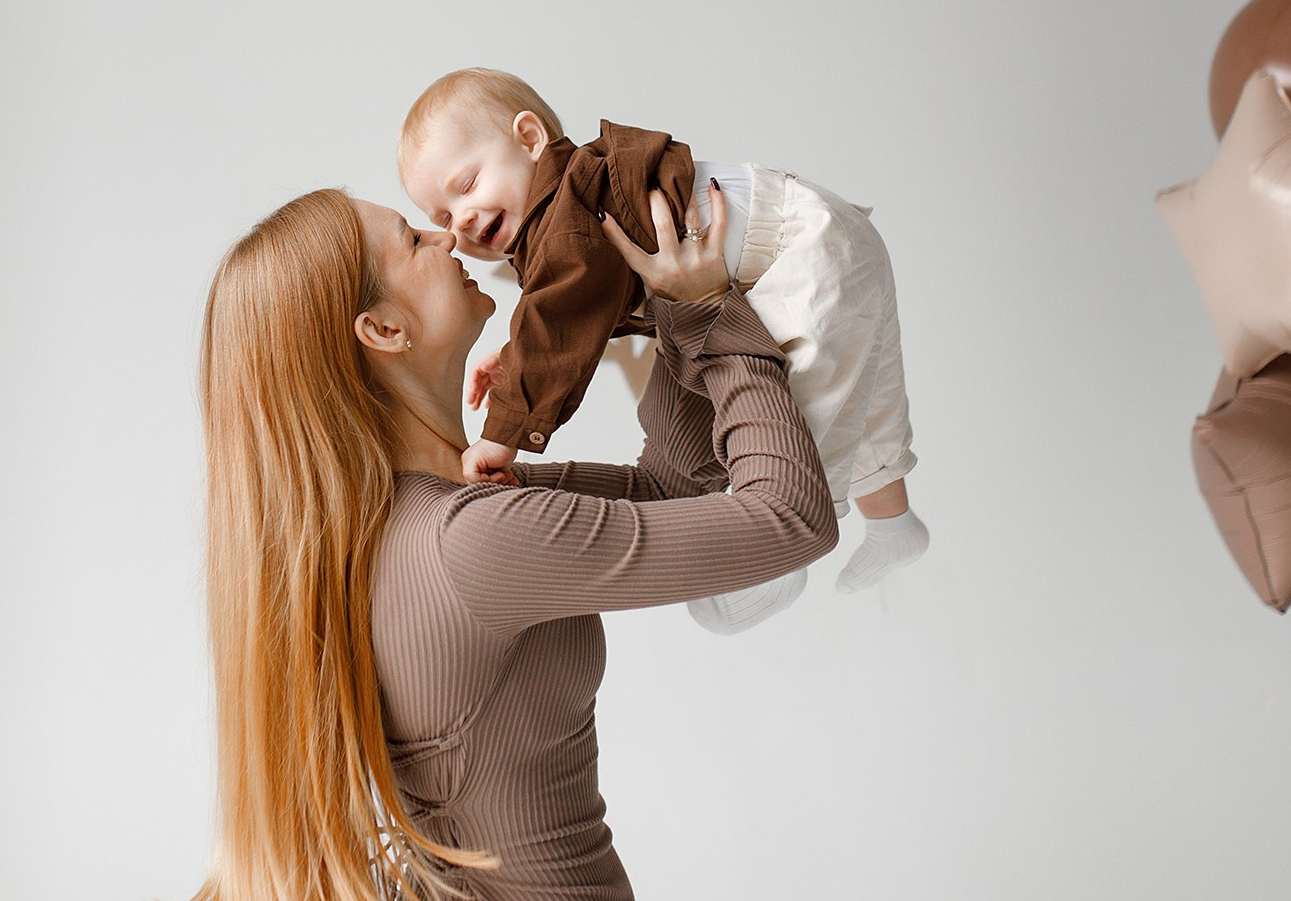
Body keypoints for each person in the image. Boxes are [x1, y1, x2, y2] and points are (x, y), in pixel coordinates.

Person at [192, 182, 836, 901]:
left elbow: (669, 491)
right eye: (412, 240)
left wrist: (663, 303)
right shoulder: (469, 544)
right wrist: (710, 308)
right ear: (382, 330)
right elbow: (790, 517)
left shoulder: (441, 516)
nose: (446, 238)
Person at [397, 68, 929, 631]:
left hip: (801, 251)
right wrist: (513, 357)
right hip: (803, 245)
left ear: (529, 140)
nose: (462, 222)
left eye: (467, 186)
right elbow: (583, 311)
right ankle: (895, 527)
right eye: (443, 218)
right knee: (864, 401)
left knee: (812, 414)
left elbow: (561, 320)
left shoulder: (566, 221)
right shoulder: (567, 218)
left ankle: (772, 564)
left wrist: (502, 436)